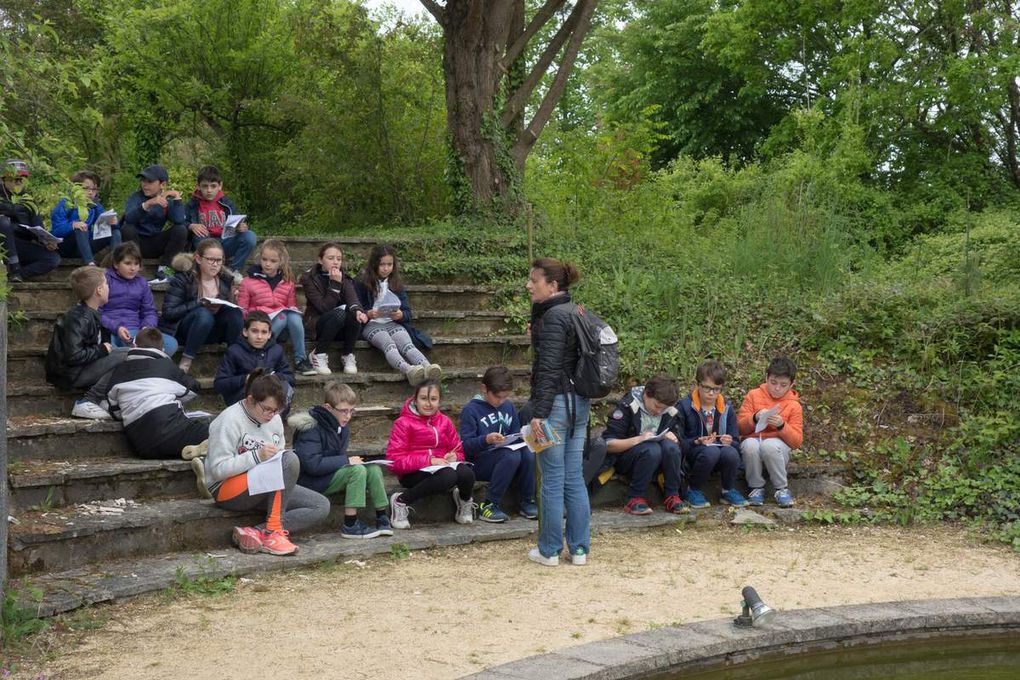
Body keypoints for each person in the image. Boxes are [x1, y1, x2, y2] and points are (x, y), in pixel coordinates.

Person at [201, 369, 331, 556]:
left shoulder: (274, 419)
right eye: (267, 409)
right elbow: (218, 470)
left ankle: (255, 531)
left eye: (277, 410)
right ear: (251, 400)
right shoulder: (229, 420)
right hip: (226, 489)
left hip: (263, 482)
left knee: (320, 506)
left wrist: (270, 457)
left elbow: (277, 456)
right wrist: (257, 456)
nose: (272, 415)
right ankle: (273, 532)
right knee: (289, 460)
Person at [525, 257, 591, 567]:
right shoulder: (577, 311)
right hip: (579, 403)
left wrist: (538, 413)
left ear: (552, 286)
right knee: (573, 477)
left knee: (551, 478)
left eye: (534, 281)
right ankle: (579, 550)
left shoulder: (553, 317)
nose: (528, 285)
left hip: (556, 406)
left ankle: (549, 550)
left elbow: (550, 368)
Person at [291, 382, 392, 539]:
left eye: (351, 411)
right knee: (356, 470)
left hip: (328, 476)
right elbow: (312, 465)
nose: (348, 416)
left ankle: (382, 517)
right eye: (344, 411)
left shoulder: (342, 426)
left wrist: (348, 461)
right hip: (309, 482)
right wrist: (346, 460)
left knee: (372, 469)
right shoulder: (310, 428)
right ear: (328, 408)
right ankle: (350, 525)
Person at [104, 327, 208, 459]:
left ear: (135, 345)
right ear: (163, 350)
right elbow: (193, 388)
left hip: (140, 445)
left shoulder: (118, 371)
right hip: (171, 428)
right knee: (220, 432)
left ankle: (199, 454)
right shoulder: (166, 366)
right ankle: (206, 462)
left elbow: (115, 412)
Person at [386, 380, 475, 530]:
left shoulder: (445, 421)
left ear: (439, 401)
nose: (428, 404)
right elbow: (394, 461)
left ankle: (464, 501)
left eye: (433, 399)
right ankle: (401, 501)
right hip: (413, 473)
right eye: (423, 398)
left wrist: (455, 457)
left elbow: (458, 450)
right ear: (415, 400)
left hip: (441, 468)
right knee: (448, 476)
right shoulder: (403, 423)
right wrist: (429, 460)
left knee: (467, 473)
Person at [44, 265, 127, 419]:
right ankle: (88, 401)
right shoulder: (79, 318)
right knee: (127, 356)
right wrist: (102, 350)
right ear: (99, 290)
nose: (109, 288)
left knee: (133, 353)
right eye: (107, 284)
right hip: (69, 374)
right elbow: (74, 356)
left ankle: (104, 398)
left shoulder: (92, 314)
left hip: (80, 369)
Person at [458, 366, 537, 522]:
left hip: (506, 460)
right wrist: (486, 439)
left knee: (527, 453)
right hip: (479, 463)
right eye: (497, 396)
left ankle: (528, 501)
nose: (501, 401)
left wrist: (527, 436)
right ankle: (489, 505)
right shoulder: (471, 410)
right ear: (484, 389)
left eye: (505, 397)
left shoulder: (509, 407)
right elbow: (465, 447)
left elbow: (515, 435)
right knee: (511, 456)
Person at [602, 373, 688, 515]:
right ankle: (634, 498)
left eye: (664, 409)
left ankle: (672, 495)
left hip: (658, 462)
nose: (659, 411)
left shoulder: (670, 411)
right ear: (646, 394)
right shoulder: (627, 406)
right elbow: (609, 444)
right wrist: (639, 439)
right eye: (657, 406)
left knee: (671, 447)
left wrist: (674, 437)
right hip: (627, 460)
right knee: (651, 449)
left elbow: (681, 442)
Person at [354, 244, 440, 385]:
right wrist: (368, 313)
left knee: (407, 344)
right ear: (374, 264)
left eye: (390, 264)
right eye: (382, 264)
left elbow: (407, 312)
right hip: (371, 324)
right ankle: (408, 370)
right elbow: (355, 306)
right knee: (389, 344)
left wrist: (400, 315)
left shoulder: (396, 283)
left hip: (392, 322)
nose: (386, 268)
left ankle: (427, 366)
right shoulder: (361, 281)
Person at [160, 239, 243, 373]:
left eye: (219, 260)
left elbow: (229, 316)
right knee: (204, 314)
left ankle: (234, 360)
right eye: (211, 259)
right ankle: (186, 361)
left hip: (213, 330)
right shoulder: (183, 279)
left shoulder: (226, 280)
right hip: (187, 330)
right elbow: (169, 312)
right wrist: (199, 303)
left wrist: (233, 301)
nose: (215, 265)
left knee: (235, 313)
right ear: (198, 259)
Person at [237, 239, 314, 375]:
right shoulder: (248, 282)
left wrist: (292, 310)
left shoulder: (288, 282)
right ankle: (262, 357)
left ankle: (300, 360)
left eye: (273, 261)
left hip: (281, 329)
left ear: (281, 262)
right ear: (260, 258)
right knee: (283, 316)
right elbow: (242, 310)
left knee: (292, 316)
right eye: (264, 259)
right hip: (260, 327)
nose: (267, 264)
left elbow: (291, 306)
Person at [677, 360, 746, 509]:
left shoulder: (726, 406)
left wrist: (729, 441)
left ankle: (727, 490)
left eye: (716, 389)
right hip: (694, 456)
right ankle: (693, 490)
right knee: (711, 451)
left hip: (719, 453)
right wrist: (697, 441)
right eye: (707, 388)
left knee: (730, 452)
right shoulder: (685, 406)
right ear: (697, 384)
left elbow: (736, 441)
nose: (711, 393)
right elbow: (678, 442)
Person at [737, 356, 804, 508]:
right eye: (773, 382)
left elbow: (796, 441)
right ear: (766, 377)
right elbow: (739, 428)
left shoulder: (794, 406)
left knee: (770, 445)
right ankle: (756, 488)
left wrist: (781, 426)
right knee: (749, 444)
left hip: (778, 448)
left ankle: (781, 489)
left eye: (783, 385)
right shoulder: (753, 395)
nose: (777, 388)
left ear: (791, 385)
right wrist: (754, 418)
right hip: (754, 442)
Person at [300, 242, 367, 375]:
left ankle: (347, 355)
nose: (335, 262)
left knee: (353, 313)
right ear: (320, 260)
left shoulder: (344, 277)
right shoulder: (309, 278)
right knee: (339, 314)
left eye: (339, 259)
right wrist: (335, 284)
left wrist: (358, 311)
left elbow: (353, 300)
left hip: (340, 328)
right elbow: (323, 308)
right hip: (318, 325)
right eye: (330, 258)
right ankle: (318, 354)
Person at [101, 242, 178, 355]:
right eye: (128, 263)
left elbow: (149, 311)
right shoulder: (105, 280)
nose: (133, 268)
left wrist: (146, 328)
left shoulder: (141, 282)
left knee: (170, 344)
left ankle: (135, 356)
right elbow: (95, 312)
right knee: (108, 348)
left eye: (136, 264)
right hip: (110, 330)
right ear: (116, 264)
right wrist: (116, 328)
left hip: (135, 331)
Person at [120, 164, 189, 285]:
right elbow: (129, 219)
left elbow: (179, 221)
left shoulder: (167, 200)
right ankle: (136, 269)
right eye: (143, 181)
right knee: (127, 228)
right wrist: (147, 204)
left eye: (150, 181)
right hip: (136, 243)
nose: (145, 185)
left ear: (162, 184)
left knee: (181, 230)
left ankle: (165, 270)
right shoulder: (136, 197)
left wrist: (177, 199)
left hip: (155, 243)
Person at [214, 310, 295, 407]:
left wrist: (274, 378)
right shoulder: (234, 351)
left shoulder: (276, 350)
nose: (259, 337)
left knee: (285, 388)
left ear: (269, 334)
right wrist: (246, 379)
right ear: (245, 332)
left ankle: (276, 418)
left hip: (271, 397)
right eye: (254, 331)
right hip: (244, 398)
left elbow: (290, 377)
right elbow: (220, 384)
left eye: (264, 332)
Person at [184, 164, 256, 271]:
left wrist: (240, 227)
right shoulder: (192, 204)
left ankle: (232, 270)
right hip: (204, 243)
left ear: (220, 186)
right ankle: (210, 269)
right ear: (198, 186)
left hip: (224, 242)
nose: (209, 190)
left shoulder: (227, 203)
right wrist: (191, 225)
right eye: (205, 186)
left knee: (249, 236)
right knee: (198, 237)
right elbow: (180, 222)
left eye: (213, 186)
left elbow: (236, 223)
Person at [1, 158, 60, 282]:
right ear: (3, 180)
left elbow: (38, 226)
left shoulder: (28, 201)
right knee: (3, 222)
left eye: (20, 180)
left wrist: (47, 241)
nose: (18, 183)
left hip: (22, 245)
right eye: (14, 179)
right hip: (3, 245)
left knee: (53, 259)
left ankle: (17, 275)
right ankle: (15, 269)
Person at [51, 170, 121, 266]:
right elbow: (56, 232)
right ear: (75, 188)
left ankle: (117, 264)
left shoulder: (95, 205)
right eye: (86, 188)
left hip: (85, 245)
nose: (91, 192)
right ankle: (90, 264)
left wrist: (113, 223)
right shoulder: (66, 204)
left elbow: (101, 228)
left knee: (114, 232)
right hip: (67, 246)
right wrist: (73, 225)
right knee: (81, 228)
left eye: (94, 189)